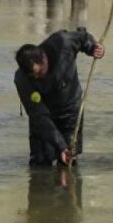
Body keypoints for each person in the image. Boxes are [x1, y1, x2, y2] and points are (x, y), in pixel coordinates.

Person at [14, 28, 105, 167]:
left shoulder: (62, 43)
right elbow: (38, 116)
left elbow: (82, 37)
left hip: (70, 112)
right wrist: (60, 146)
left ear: (44, 57)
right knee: (39, 163)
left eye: (39, 72)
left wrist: (93, 48)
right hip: (45, 118)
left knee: (67, 162)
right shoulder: (22, 79)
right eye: (33, 76)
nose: (37, 78)